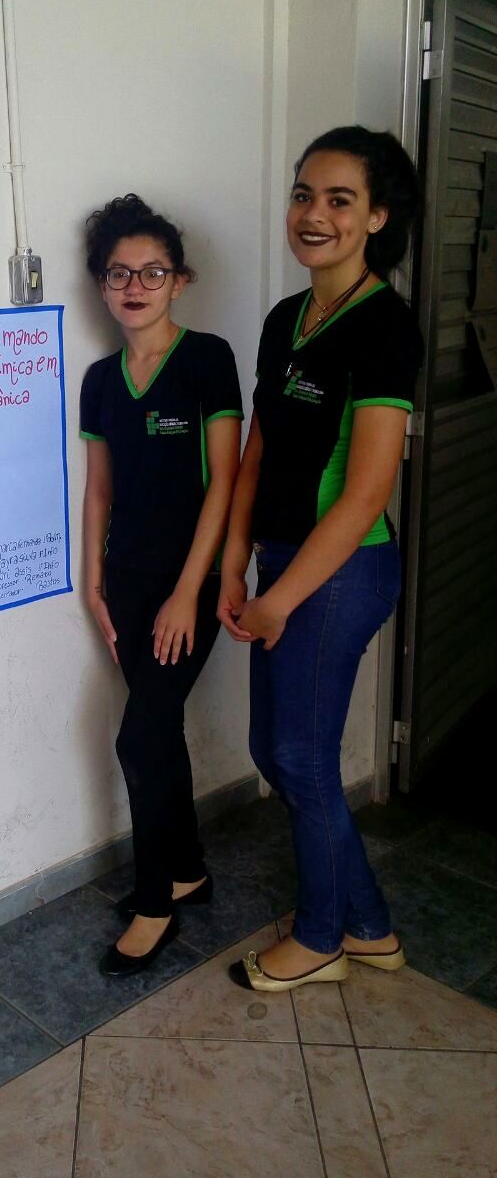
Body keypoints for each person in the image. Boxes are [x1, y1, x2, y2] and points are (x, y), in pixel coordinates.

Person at [218, 126, 422, 992]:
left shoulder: (386, 328)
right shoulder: (285, 318)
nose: (314, 214)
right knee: (277, 752)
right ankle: (368, 925)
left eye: (341, 200)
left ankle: (321, 940)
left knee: (300, 758)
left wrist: (278, 600)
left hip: (342, 571)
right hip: (280, 559)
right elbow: (259, 450)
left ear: (377, 217)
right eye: (305, 194)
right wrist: (235, 561)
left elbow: (366, 494)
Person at [80, 194, 243, 977]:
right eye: (119, 273)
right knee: (160, 725)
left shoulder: (208, 359)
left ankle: (155, 906)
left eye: (152, 271)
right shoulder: (99, 380)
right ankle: (188, 871)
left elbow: (225, 483)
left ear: (180, 280)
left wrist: (190, 592)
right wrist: (92, 583)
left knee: (137, 737)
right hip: (126, 584)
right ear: (102, 284)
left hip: (192, 585)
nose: (135, 286)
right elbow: (100, 491)